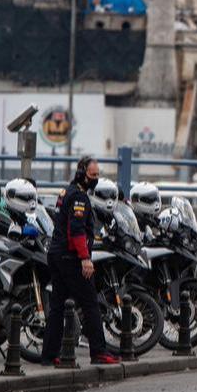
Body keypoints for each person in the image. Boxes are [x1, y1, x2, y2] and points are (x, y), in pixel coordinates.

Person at [41, 157, 119, 366]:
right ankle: (99, 352)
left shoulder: (67, 191)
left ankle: (49, 355)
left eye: (97, 175)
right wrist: (85, 259)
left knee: (57, 306)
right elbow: (76, 231)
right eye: (92, 175)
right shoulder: (79, 198)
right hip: (70, 257)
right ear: (82, 174)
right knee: (90, 303)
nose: (95, 179)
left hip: (56, 255)